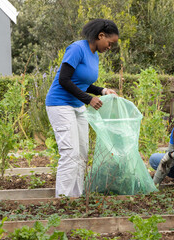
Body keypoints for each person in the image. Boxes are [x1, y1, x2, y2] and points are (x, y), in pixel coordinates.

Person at [45, 19, 119, 197]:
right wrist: (89, 100)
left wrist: (102, 90)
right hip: (60, 105)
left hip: (77, 107)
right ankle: (63, 199)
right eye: (110, 43)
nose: (110, 47)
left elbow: (83, 83)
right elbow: (64, 80)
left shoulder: (94, 55)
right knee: (70, 153)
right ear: (101, 36)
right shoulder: (77, 49)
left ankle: (76, 198)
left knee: (82, 153)